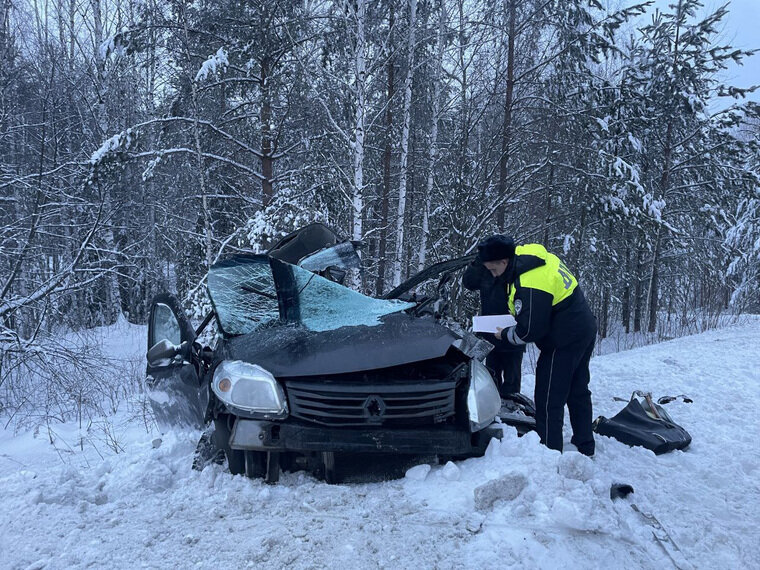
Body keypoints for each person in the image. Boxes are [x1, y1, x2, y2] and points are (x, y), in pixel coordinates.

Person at [477, 235, 597, 456]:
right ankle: (585, 445)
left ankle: (550, 454)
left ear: (504, 262)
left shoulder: (530, 281)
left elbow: (531, 330)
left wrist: (505, 334)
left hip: (563, 339)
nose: (494, 275)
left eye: (494, 270)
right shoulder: (529, 257)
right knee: (578, 390)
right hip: (583, 327)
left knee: (549, 396)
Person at [462, 252, 525, 397]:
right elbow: (469, 283)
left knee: (512, 384)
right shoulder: (484, 271)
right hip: (491, 335)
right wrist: (477, 262)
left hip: (513, 335)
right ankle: (493, 412)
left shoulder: (517, 269)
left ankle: (511, 409)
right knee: (491, 380)